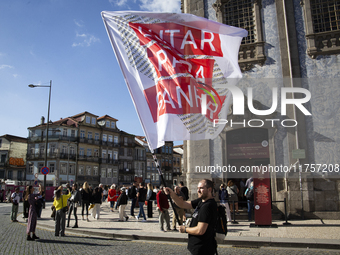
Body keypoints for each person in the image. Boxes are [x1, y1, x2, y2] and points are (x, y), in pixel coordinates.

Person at [164, 179, 218, 255]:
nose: (198, 191)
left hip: (203, 249)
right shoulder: (201, 201)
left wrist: (185, 229)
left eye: (201, 188)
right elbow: (182, 204)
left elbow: (200, 230)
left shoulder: (207, 206)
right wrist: (171, 193)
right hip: (197, 247)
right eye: (197, 188)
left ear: (209, 189)